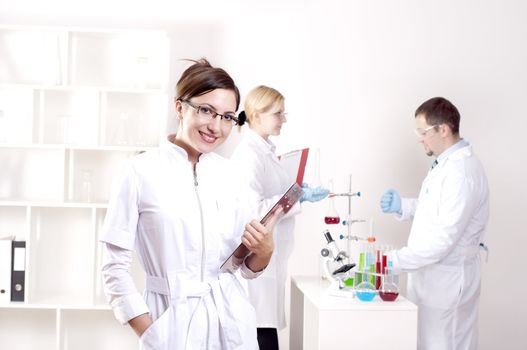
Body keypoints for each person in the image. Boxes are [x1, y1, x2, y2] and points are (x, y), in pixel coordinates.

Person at [100, 59, 282, 350]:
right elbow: (114, 269)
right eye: (206, 110)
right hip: (170, 325)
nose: (216, 126)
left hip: (231, 322)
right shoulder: (138, 171)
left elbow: (244, 267)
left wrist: (265, 251)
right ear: (180, 107)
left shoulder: (233, 175)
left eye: (227, 116)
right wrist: (151, 333)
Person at [379, 97, 489, 350]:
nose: (420, 139)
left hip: (447, 281)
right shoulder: (446, 164)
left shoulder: (461, 172)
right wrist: (403, 206)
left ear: (444, 129)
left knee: (444, 343)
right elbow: (437, 210)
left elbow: (443, 240)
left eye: (423, 132)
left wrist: (390, 262)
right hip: (433, 279)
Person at [230, 85, 328, 350]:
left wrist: (298, 191)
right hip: (258, 260)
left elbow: (273, 194)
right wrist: (297, 196)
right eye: (278, 114)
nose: (283, 120)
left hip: (270, 259)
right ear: (258, 114)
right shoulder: (249, 155)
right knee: (261, 333)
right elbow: (255, 211)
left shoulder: (265, 152)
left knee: (265, 329)